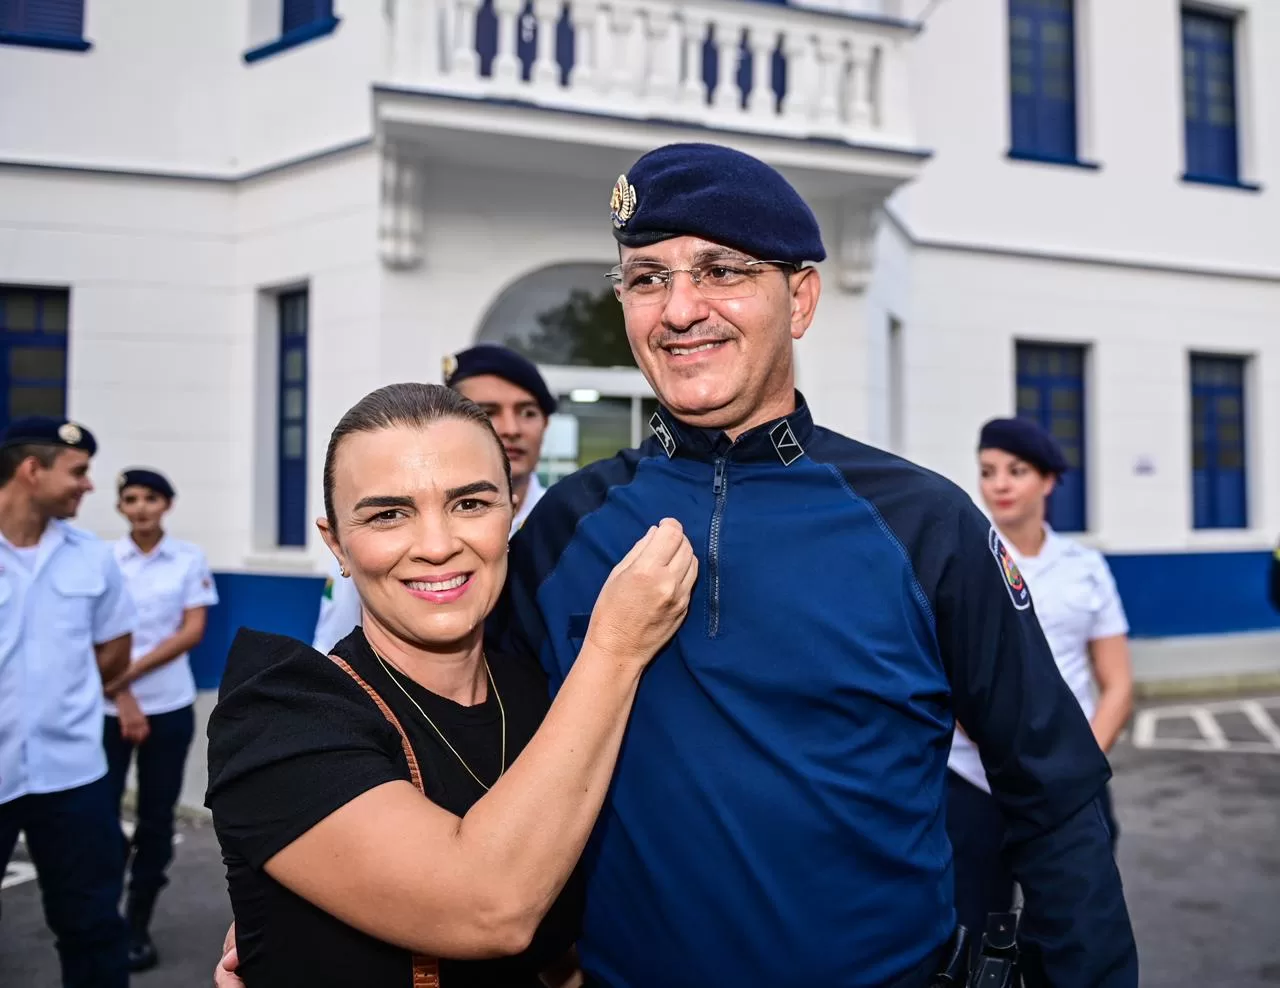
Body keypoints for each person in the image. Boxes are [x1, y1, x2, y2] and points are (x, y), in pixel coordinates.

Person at [217, 144, 1138, 988]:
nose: (681, 308)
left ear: (801, 299)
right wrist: (311, 916)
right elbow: (461, 742)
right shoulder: (566, 527)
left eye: (722, 271)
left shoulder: (923, 523)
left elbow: (1055, 794)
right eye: (647, 278)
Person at [205, 383, 695, 987]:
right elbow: (491, 907)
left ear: (510, 514)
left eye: (470, 504)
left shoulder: (543, 697)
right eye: (388, 514)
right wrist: (616, 647)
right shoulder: (280, 717)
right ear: (337, 544)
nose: (437, 546)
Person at [946, 417, 1135, 953]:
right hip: (973, 784)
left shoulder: (1084, 567)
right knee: (970, 940)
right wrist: (1015, 763)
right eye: (988, 471)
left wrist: (1075, 767)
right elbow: (950, 681)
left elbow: (1118, 684)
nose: (999, 484)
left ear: (1048, 480)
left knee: (1078, 936)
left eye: (1017, 470)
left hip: (1071, 786)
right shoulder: (959, 560)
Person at [0, 416, 136, 988]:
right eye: (77, 472)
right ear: (32, 470)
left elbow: (115, 650)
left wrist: (61, 697)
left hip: (73, 774)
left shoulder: (92, 557)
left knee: (93, 928)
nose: (89, 485)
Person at [311, 345, 555, 653]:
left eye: (528, 412)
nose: (511, 429)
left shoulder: (566, 523)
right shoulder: (366, 547)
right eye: (488, 411)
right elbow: (332, 646)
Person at [103, 467, 219, 971]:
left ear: (166, 505)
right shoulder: (104, 560)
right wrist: (123, 693)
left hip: (168, 705)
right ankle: (100, 916)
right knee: (97, 816)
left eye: (151, 498)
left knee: (155, 817)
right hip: (107, 707)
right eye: (131, 498)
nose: (141, 507)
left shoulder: (187, 559)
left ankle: (136, 924)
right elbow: (90, 631)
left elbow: (191, 630)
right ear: (120, 507)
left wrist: (129, 674)